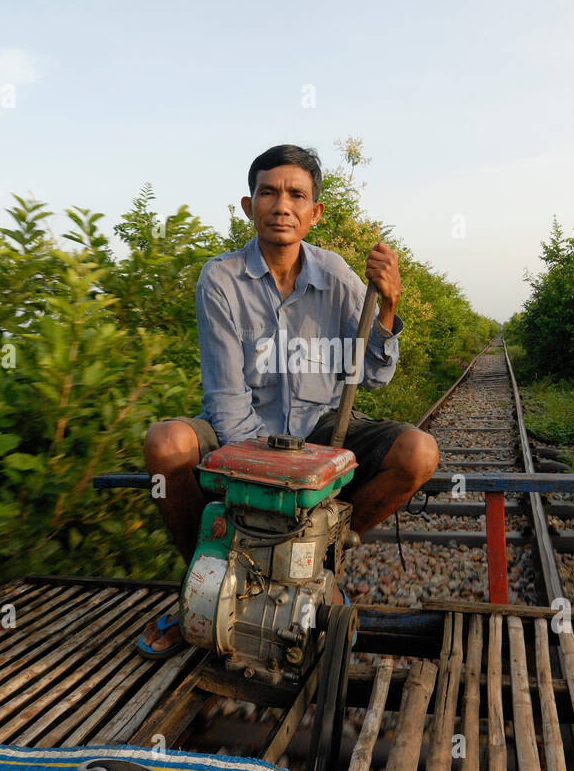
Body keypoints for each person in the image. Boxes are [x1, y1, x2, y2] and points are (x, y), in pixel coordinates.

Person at [138, 144, 440, 658]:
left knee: (419, 454)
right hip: (241, 431)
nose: (282, 205)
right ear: (247, 205)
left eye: (297, 195)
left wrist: (388, 306)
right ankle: (206, 586)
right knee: (165, 444)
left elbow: (371, 375)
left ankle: (321, 568)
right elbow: (226, 395)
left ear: (315, 212)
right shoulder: (220, 277)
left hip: (321, 426)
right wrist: (270, 471)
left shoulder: (339, 275)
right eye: (269, 192)